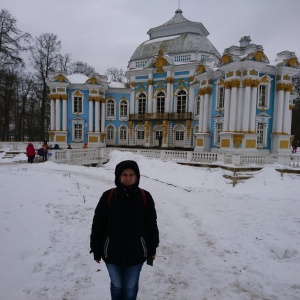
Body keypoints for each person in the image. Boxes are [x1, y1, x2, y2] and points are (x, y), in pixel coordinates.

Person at [90, 160, 159, 300]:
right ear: (118, 177)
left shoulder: (145, 197)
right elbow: (98, 224)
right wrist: (96, 249)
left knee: (130, 286)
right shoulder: (107, 196)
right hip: (112, 254)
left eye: (132, 174)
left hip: (136, 254)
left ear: (137, 176)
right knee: (116, 285)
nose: (128, 178)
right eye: (124, 174)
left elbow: (151, 225)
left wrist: (152, 248)